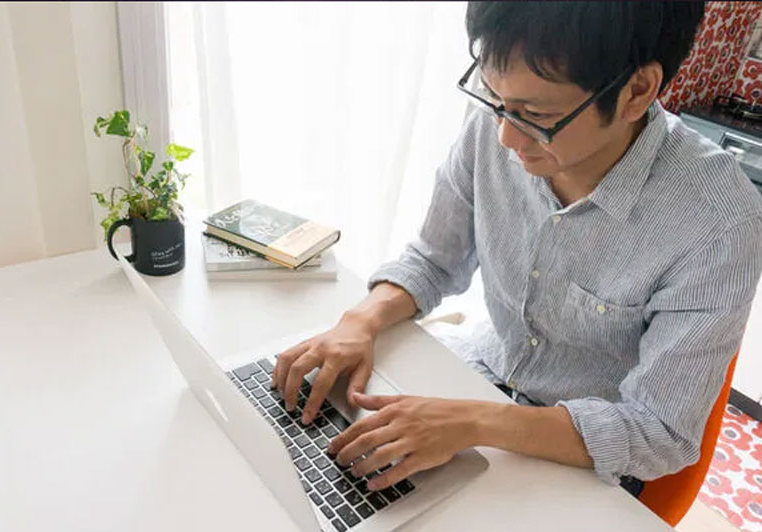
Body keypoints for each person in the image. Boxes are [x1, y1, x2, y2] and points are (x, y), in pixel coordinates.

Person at [272, 1, 762, 497]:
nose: (505, 136)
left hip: (584, 457)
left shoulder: (718, 222)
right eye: (495, 99)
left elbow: (659, 432)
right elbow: (433, 261)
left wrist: (473, 422)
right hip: (476, 377)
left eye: (537, 115)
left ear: (636, 91)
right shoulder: (497, 125)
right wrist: (359, 322)